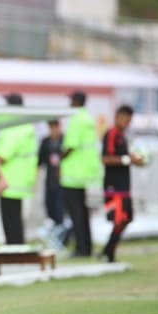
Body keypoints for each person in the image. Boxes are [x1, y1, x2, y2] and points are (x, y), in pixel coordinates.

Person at [0, 93, 38, 244]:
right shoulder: (26, 126)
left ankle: (14, 249)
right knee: (15, 217)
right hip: (20, 180)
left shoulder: (14, 127)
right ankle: (17, 248)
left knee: (10, 219)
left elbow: (2, 156)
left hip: (10, 181)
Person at [99, 105, 144, 263]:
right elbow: (105, 158)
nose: (127, 123)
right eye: (126, 119)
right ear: (118, 116)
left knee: (127, 217)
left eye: (130, 120)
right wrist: (128, 160)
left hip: (124, 185)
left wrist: (135, 160)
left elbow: (123, 157)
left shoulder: (122, 136)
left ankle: (107, 249)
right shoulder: (111, 134)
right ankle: (109, 253)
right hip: (113, 185)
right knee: (120, 218)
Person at [60, 91, 102, 258]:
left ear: (77, 102)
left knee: (76, 213)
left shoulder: (76, 119)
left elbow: (71, 145)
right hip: (86, 172)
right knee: (83, 213)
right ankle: (87, 246)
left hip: (74, 174)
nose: (69, 104)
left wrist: (59, 158)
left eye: (71, 100)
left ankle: (81, 249)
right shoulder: (88, 118)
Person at [38, 120, 65, 226]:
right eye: (51, 128)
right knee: (49, 206)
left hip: (63, 180)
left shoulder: (65, 141)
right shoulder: (46, 142)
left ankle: (61, 232)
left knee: (60, 208)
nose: (53, 131)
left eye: (55, 127)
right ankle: (52, 230)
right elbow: (40, 161)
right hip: (50, 179)